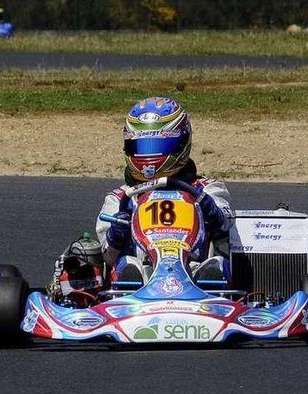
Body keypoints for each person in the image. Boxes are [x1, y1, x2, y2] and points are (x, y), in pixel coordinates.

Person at [48, 96, 233, 304]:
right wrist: (119, 230)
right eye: (141, 147)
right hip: (137, 283)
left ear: (181, 142)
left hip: (194, 269)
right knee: (125, 264)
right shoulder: (119, 198)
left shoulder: (207, 188)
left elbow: (226, 227)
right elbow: (108, 255)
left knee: (217, 263)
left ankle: (207, 280)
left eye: (157, 145)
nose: (148, 155)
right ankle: (133, 281)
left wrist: (209, 208)